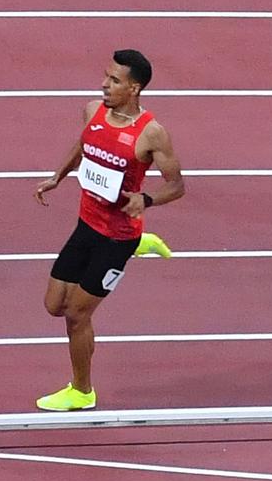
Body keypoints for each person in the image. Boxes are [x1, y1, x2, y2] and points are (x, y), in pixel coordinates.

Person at [32, 49, 185, 411]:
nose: (104, 84)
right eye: (105, 76)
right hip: (87, 223)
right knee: (54, 305)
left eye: (114, 80)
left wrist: (146, 201)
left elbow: (177, 185)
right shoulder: (93, 111)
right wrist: (58, 176)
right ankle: (141, 245)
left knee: (77, 315)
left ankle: (82, 392)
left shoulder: (151, 134)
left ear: (133, 88)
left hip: (117, 236)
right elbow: (84, 144)